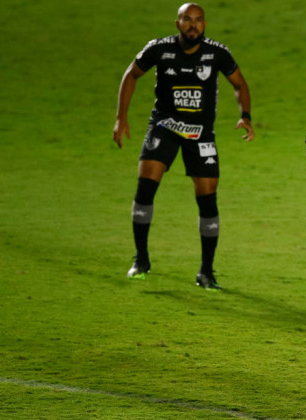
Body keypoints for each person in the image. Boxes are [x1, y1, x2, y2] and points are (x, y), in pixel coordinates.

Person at [112, 3, 255, 289]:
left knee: (207, 200)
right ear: (177, 23)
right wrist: (121, 119)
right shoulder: (159, 49)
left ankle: (206, 271)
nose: (193, 25)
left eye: (199, 20)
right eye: (187, 20)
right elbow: (131, 74)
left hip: (200, 134)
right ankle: (141, 259)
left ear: (205, 24)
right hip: (164, 127)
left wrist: (245, 116)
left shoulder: (217, 53)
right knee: (144, 190)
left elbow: (239, 84)